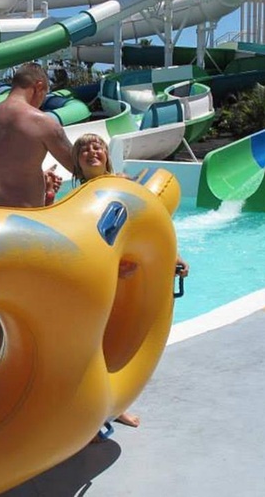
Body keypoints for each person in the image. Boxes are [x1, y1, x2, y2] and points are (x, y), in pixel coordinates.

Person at [71, 133, 190, 437]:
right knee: (93, 345)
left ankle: (116, 405)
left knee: (117, 341)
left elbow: (149, 226)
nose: (91, 151)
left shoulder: (123, 185)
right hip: (100, 282)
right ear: (77, 162)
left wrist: (173, 257)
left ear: (106, 155)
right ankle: (91, 415)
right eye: (83, 149)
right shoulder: (75, 200)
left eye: (96, 146)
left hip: (125, 281)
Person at [0, 62, 75, 208]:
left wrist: (36, 177)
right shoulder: (41, 122)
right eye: (43, 96)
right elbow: (80, 168)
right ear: (39, 86)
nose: (40, 104)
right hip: (19, 221)